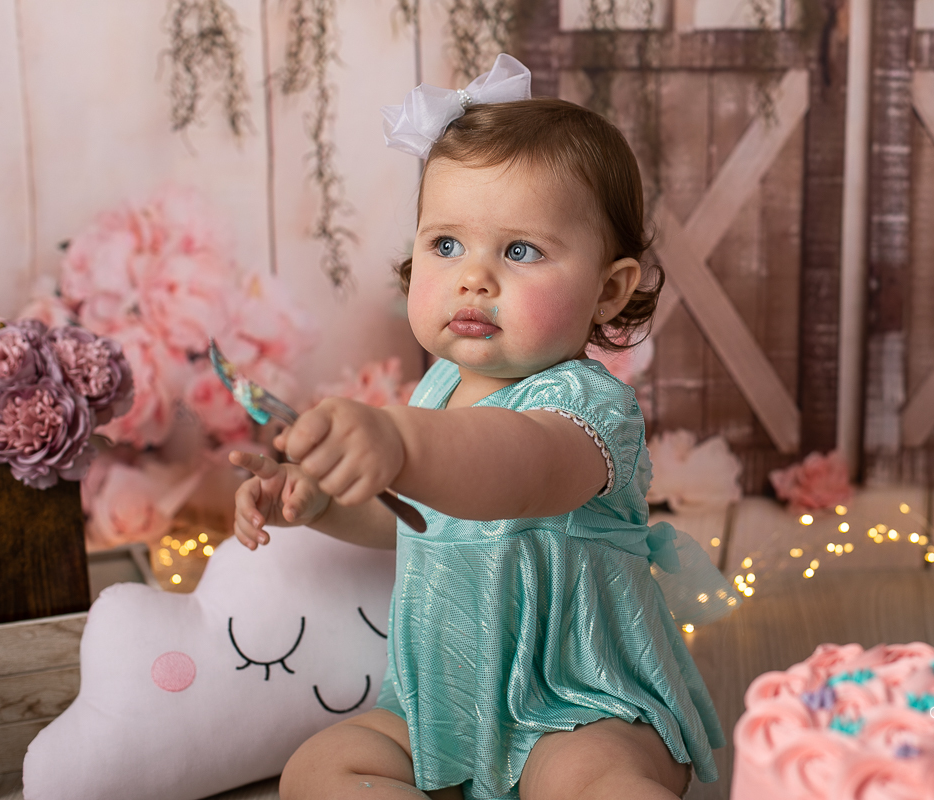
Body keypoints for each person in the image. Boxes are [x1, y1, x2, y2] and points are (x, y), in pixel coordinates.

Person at [228, 54, 734, 800]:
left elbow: (514, 468)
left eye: (521, 250)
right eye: (446, 245)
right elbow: (414, 518)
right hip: (443, 711)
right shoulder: (434, 391)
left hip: (579, 708)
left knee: (599, 784)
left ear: (608, 290)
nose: (474, 277)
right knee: (320, 769)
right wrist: (324, 501)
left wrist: (398, 442)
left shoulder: (589, 409)